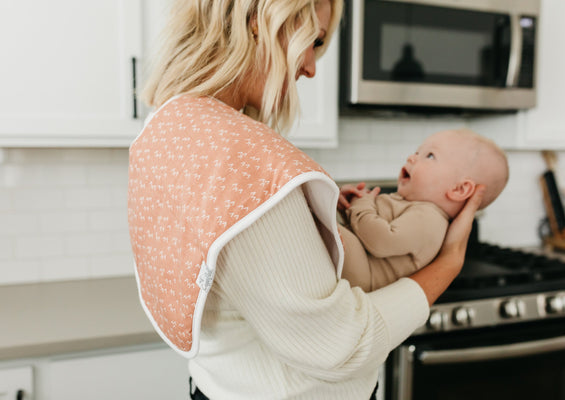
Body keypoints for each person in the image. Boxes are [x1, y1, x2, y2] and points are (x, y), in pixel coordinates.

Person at [127, 1, 485, 399]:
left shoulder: (171, 125)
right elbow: (340, 346)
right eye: (313, 41)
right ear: (259, 20)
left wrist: (307, 207)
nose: (311, 68)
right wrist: (448, 264)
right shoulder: (239, 156)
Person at [337, 129, 509, 292]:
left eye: (430, 155)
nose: (411, 157)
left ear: (459, 189)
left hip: (364, 274)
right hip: (357, 258)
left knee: (325, 225)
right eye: (417, 152)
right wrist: (345, 206)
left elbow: (380, 241)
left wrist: (360, 205)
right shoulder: (407, 203)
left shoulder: (430, 220)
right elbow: (363, 228)